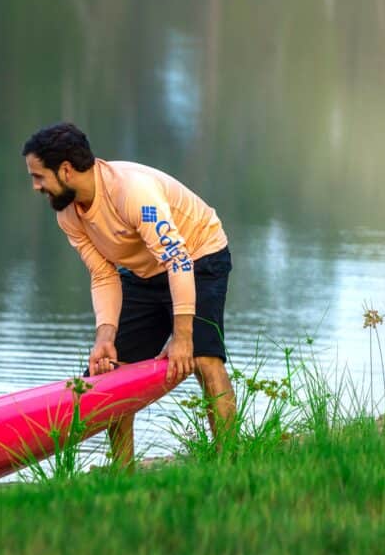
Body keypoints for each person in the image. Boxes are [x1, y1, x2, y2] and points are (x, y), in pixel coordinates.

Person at [22, 122, 236, 465]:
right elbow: (103, 274)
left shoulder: (133, 192)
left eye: (38, 176)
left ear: (65, 170)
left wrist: (183, 336)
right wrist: (104, 337)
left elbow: (178, 260)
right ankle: (123, 473)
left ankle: (230, 462)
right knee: (113, 370)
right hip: (142, 272)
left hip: (198, 256)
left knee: (203, 357)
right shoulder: (68, 214)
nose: (35, 186)